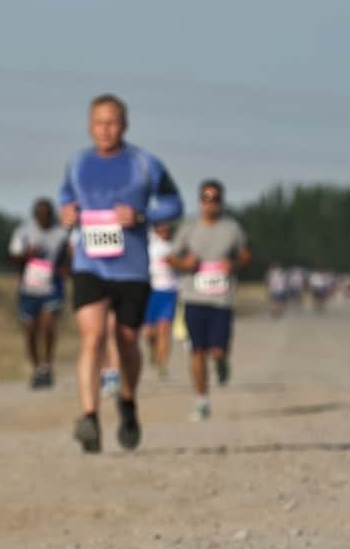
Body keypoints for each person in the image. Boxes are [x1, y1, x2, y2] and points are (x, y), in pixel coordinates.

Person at [58, 94, 183, 452]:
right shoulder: (78, 163)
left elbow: (174, 204)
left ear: (124, 126)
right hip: (89, 264)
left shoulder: (145, 164)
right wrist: (66, 213)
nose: (105, 129)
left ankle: (127, 403)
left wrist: (144, 217)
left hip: (131, 269)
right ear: (89, 125)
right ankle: (90, 417)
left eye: (112, 122)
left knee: (127, 342)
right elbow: (65, 199)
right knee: (93, 337)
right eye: (99, 122)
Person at [169, 180, 250, 421]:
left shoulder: (232, 229)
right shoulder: (189, 228)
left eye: (215, 198)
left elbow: (246, 256)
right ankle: (202, 400)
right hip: (194, 296)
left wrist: (233, 264)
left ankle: (222, 361)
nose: (211, 202)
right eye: (206, 197)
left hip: (222, 299)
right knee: (197, 351)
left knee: (217, 349)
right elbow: (171, 257)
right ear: (200, 200)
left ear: (221, 201)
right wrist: (184, 264)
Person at [8, 198, 69, 388]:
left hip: (52, 288)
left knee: (48, 325)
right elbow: (13, 257)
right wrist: (27, 255)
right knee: (30, 331)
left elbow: (70, 257)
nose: (44, 218)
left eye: (48, 215)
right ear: (35, 216)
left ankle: (47, 365)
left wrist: (65, 269)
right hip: (28, 289)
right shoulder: (23, 232)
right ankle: (36, 369)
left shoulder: (61, 233)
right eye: (40, 215)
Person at [143, 222, 179, 376]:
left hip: (169, 292)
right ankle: (153, 348)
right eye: (161, 227)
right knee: (149, 333)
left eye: (167, 227)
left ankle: (162, 363)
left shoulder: (175, 246)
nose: (165, 230)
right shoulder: (149, 242)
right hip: (150, 291)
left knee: (164, 328)